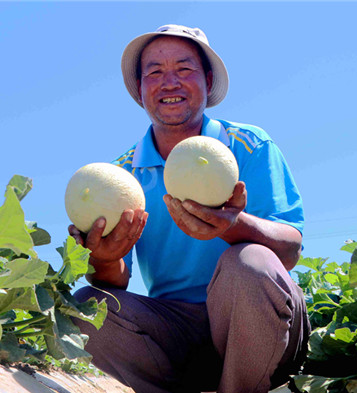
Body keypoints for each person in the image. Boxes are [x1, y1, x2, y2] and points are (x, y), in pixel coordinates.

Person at [70, 24, 310, 393]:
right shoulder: (122, 174)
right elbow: (115, 281)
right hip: (175, 331)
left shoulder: (248, 145)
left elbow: (290, 248)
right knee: (87, 306)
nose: (170, 83)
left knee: (248, 264)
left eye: (184, 69)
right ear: (140, 89)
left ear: (207, 80)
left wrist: (231, 224)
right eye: (155, 72)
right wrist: (104, 258)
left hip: (259, 327)